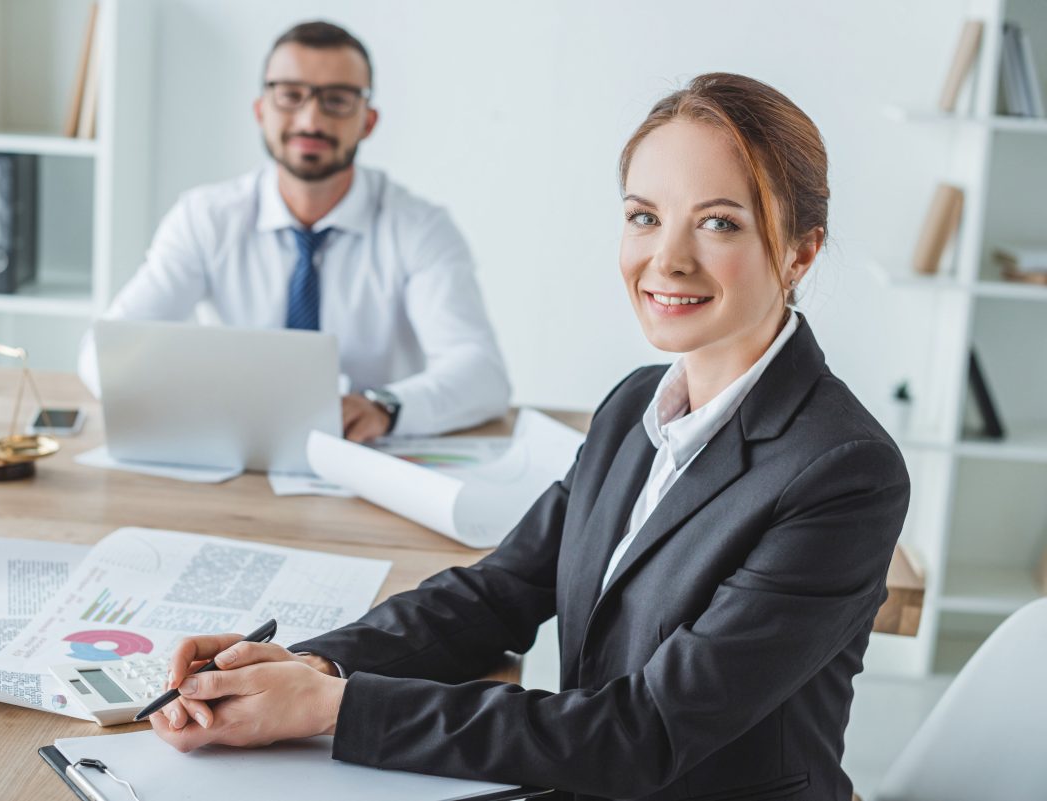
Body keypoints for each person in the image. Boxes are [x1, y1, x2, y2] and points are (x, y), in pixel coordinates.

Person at [147, 73, 910, 801]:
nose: (666, 259)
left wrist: (332, 708)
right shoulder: (634, 407)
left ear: (800, 251)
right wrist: (311, 662)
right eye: (644, 216)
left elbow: (643, 732)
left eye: (719, 222)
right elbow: (499, 592)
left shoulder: (843, 472)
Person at [77, 21, 510, 442]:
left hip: (367, 456)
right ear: (260, 110)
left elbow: (482, 374)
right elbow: (105, 353)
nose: (310, 119)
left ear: (368, 121)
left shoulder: (420, 228)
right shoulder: (205, 218)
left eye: (337, 100)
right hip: (235, 454)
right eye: (290, 96)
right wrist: (189, 402)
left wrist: (383, 406)